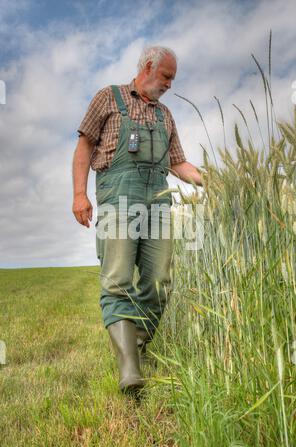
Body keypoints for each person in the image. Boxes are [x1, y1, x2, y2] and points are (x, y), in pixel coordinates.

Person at [72, 46, 202, 394]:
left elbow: (178, 163)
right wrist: (79, 194)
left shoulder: (166, 116)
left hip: (158, 204)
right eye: (166, 77)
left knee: (160, 280)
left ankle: (135, 346)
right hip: (118, 199)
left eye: (172, 79)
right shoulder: (108, 98)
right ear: (148, 66)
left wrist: (214, 180)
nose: (170, 85)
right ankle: (129, 369)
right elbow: (84, 147)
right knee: (117, 280)